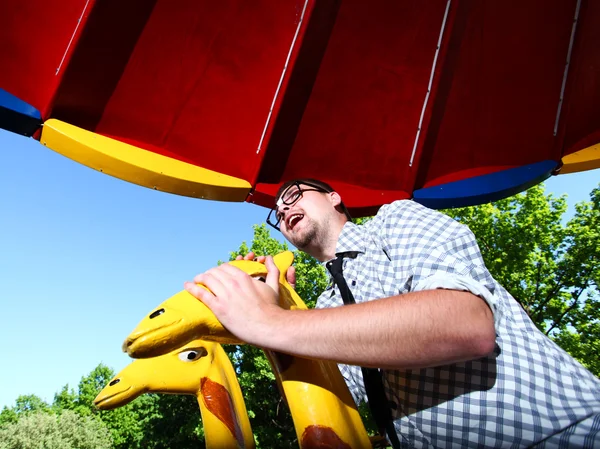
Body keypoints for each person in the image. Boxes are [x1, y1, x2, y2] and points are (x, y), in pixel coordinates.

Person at [185, 178, 600, 448]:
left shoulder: (395, 220)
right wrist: (277, 309)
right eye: (278, 210)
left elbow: (465, 323)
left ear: (334, 197)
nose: (285, 208)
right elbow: (337, 401)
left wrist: (272, 322)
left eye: (294, 194)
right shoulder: (326, 308)